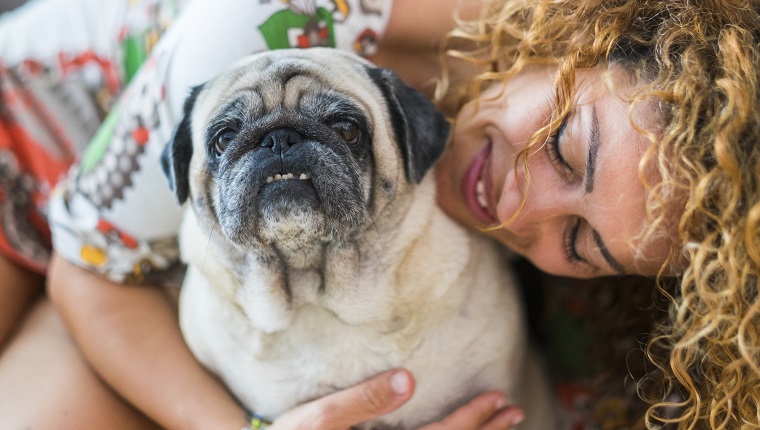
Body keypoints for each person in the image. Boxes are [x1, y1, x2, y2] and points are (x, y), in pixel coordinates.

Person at [0, 0, 757, 428]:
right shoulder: (288, 19)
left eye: (583, 239)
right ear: (579, 43)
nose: (523, 208)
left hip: (177, 257)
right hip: (32, 158)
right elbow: (89, 273)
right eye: (563, 147)